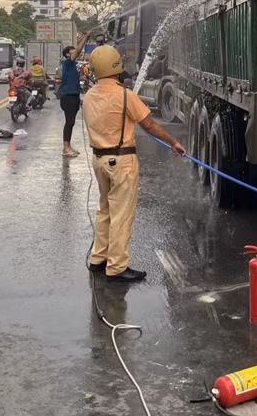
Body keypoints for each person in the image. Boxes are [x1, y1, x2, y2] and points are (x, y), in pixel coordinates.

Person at [83, 44, 185, 282]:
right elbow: (149, 125)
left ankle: (98, 259)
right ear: (117, 67)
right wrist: (173, 142)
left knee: (105, 210)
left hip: (99, 160)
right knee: (121, 214)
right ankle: (117, 266)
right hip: (121, 161)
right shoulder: (124, 95)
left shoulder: (88, 96)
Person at [58, 30, 92, 158]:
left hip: (73, 97)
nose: (75, 52)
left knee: (71, 122)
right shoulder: (67, 62)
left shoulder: (72, 65)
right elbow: (78, 50)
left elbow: (74, 83)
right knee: (69, 121)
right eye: (72, 51)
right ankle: (65, 148)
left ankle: (68, 145)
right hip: (68, 98)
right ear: (67, 54)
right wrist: (86, 37)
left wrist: (79, 98)